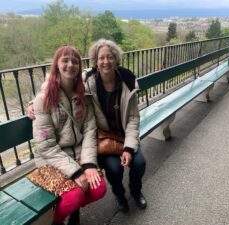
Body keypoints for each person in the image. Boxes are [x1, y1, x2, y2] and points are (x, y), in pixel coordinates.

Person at [31, 46, 106, 225]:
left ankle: (72, 209)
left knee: (99, 189)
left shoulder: (83, 95)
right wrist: (75, 172)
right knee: (75, 196)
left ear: (79, 66)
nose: (70, 65)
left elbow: (89, 130)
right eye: (65, 60)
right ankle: (57, 220)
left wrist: (88, 165)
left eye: (75, 61)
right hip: (51, 159)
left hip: (79, 154)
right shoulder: (44, 100)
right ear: (56, 64)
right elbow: (45, 146)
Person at [84, 39, 147, 212]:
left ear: (116, 59)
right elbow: (58, 82)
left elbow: (133, 118)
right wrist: (32, 103)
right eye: (101, 58)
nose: (106, 62)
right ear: (96, 61)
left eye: (110, 57)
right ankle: (119, 194)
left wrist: (128, 148)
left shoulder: (127, 81)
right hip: (105, 140)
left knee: (139, 163)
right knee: (114, 169)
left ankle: (136, 191)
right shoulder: (88, 81)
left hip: (125, 136)